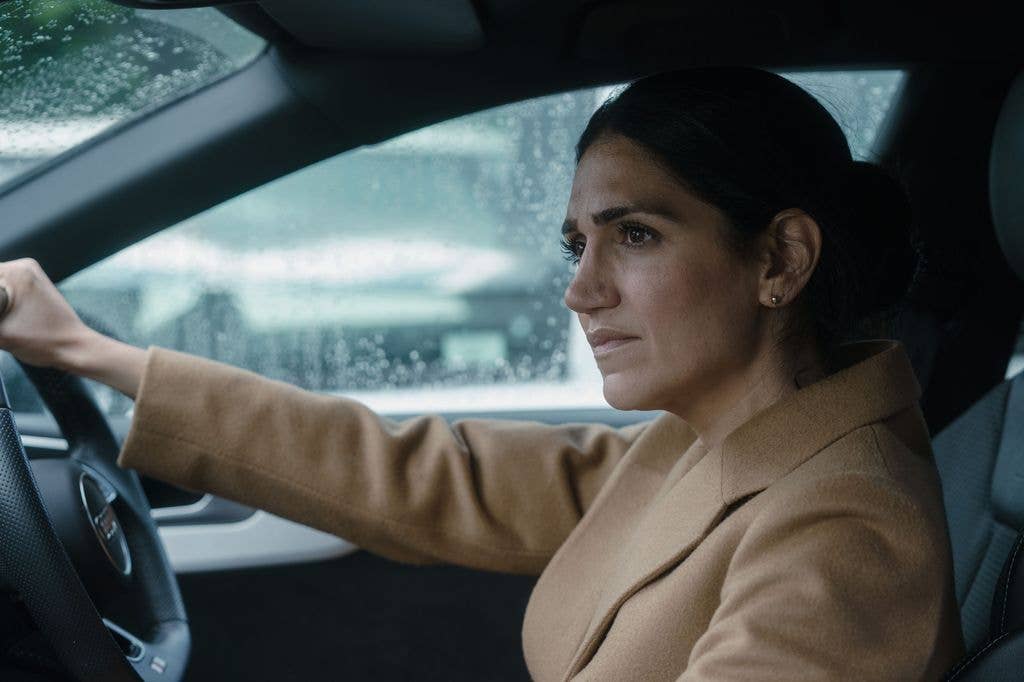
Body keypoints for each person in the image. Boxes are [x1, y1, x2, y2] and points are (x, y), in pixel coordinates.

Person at [0, 66, 965, 680]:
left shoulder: (845, 524)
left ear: (780, 261)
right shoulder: (696, 447)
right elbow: (420, 474)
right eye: (575, 244)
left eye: (634, 235)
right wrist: (89, 350)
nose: (580, 291)